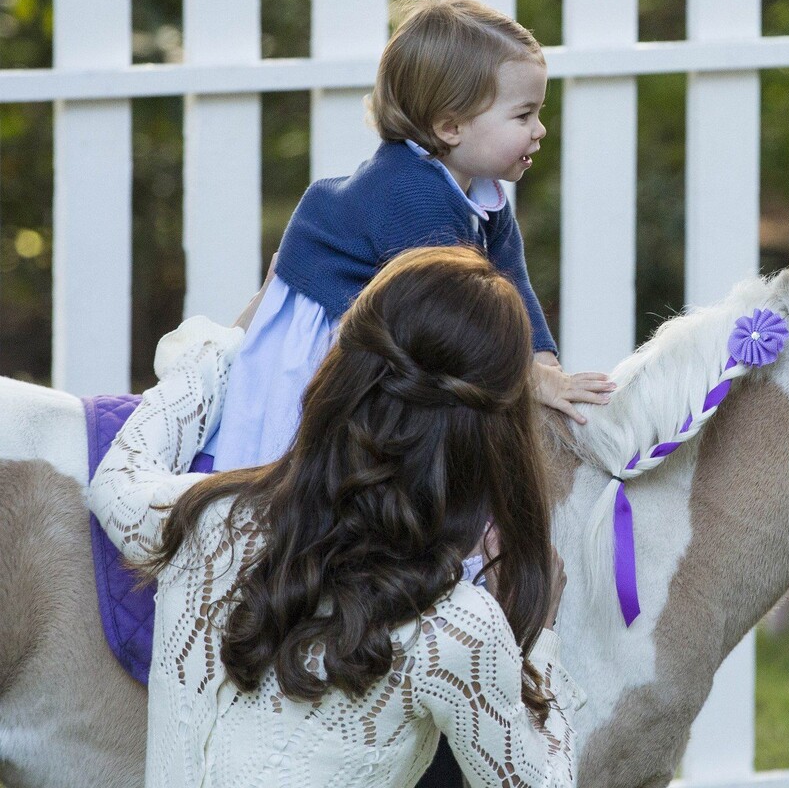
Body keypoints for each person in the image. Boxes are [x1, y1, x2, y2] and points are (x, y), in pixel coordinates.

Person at [88, 247, 582, 787]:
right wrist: (537, 647)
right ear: (494, 438)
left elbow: (118, 478)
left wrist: (233, 344)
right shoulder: (456, 629)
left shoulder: (206, 521)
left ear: (339, 372)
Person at [206, 0, 613, 474]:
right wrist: (529, 383)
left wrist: (546, 370)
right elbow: (450, 321)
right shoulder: (410, 192)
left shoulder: (480, 192)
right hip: (332, 331)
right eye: (523, 115)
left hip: (397, 325)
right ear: (450, 126)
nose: (539, 128)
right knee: (321, 455)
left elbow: (513, 283)